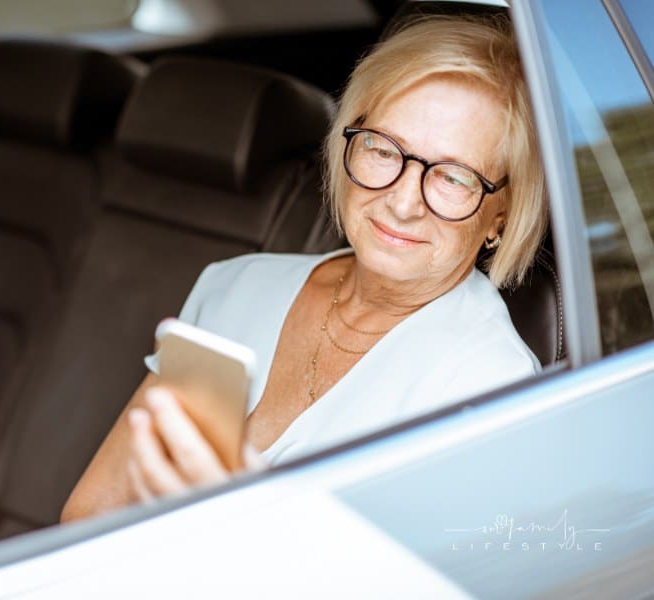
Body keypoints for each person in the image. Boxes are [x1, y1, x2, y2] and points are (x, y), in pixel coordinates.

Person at [61, 13, 547, 522]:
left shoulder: (490, 387)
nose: (404, 203)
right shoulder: (235, 285)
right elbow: (90, 515)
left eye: (454, 177)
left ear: (501, 214)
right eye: (384, 149)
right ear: (346, 146)